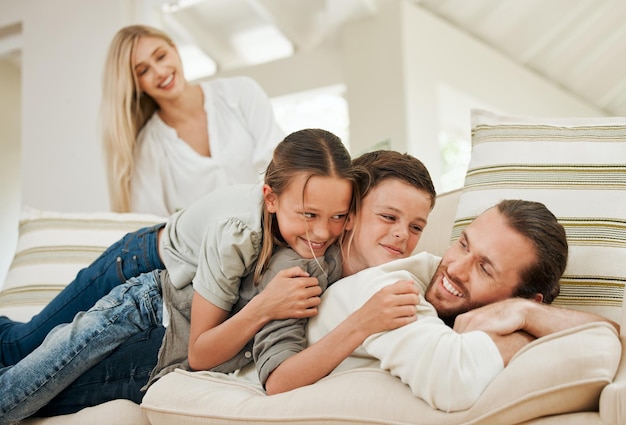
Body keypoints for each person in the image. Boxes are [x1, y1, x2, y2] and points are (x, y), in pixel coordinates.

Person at [0, 148, 437, 419]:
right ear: (353, 211)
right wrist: (360, 323)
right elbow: (272, 374)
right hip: (156, 317)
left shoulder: (360, 267)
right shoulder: (295, 263)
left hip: (170, 319)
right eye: (388, 217)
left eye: (417, 225)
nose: (403, 234)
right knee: (18, 391)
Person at [261, 199, 618, 413]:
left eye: (484, 267)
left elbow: (607, 335)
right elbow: (453, 381)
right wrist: (527, 331)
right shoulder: (393, 288)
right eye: (463, 244)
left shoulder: (518, 307)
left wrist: (528, 314)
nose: (455, 268)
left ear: (524, 295)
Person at [101, 24, 285, 215]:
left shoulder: (241, 93)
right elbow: (151, 225)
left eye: (161, 56)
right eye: (143, 71)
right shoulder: (148, 149)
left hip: (273, 230)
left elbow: (278, 165)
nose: (160, 72)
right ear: (136, 85)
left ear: (174, 49)